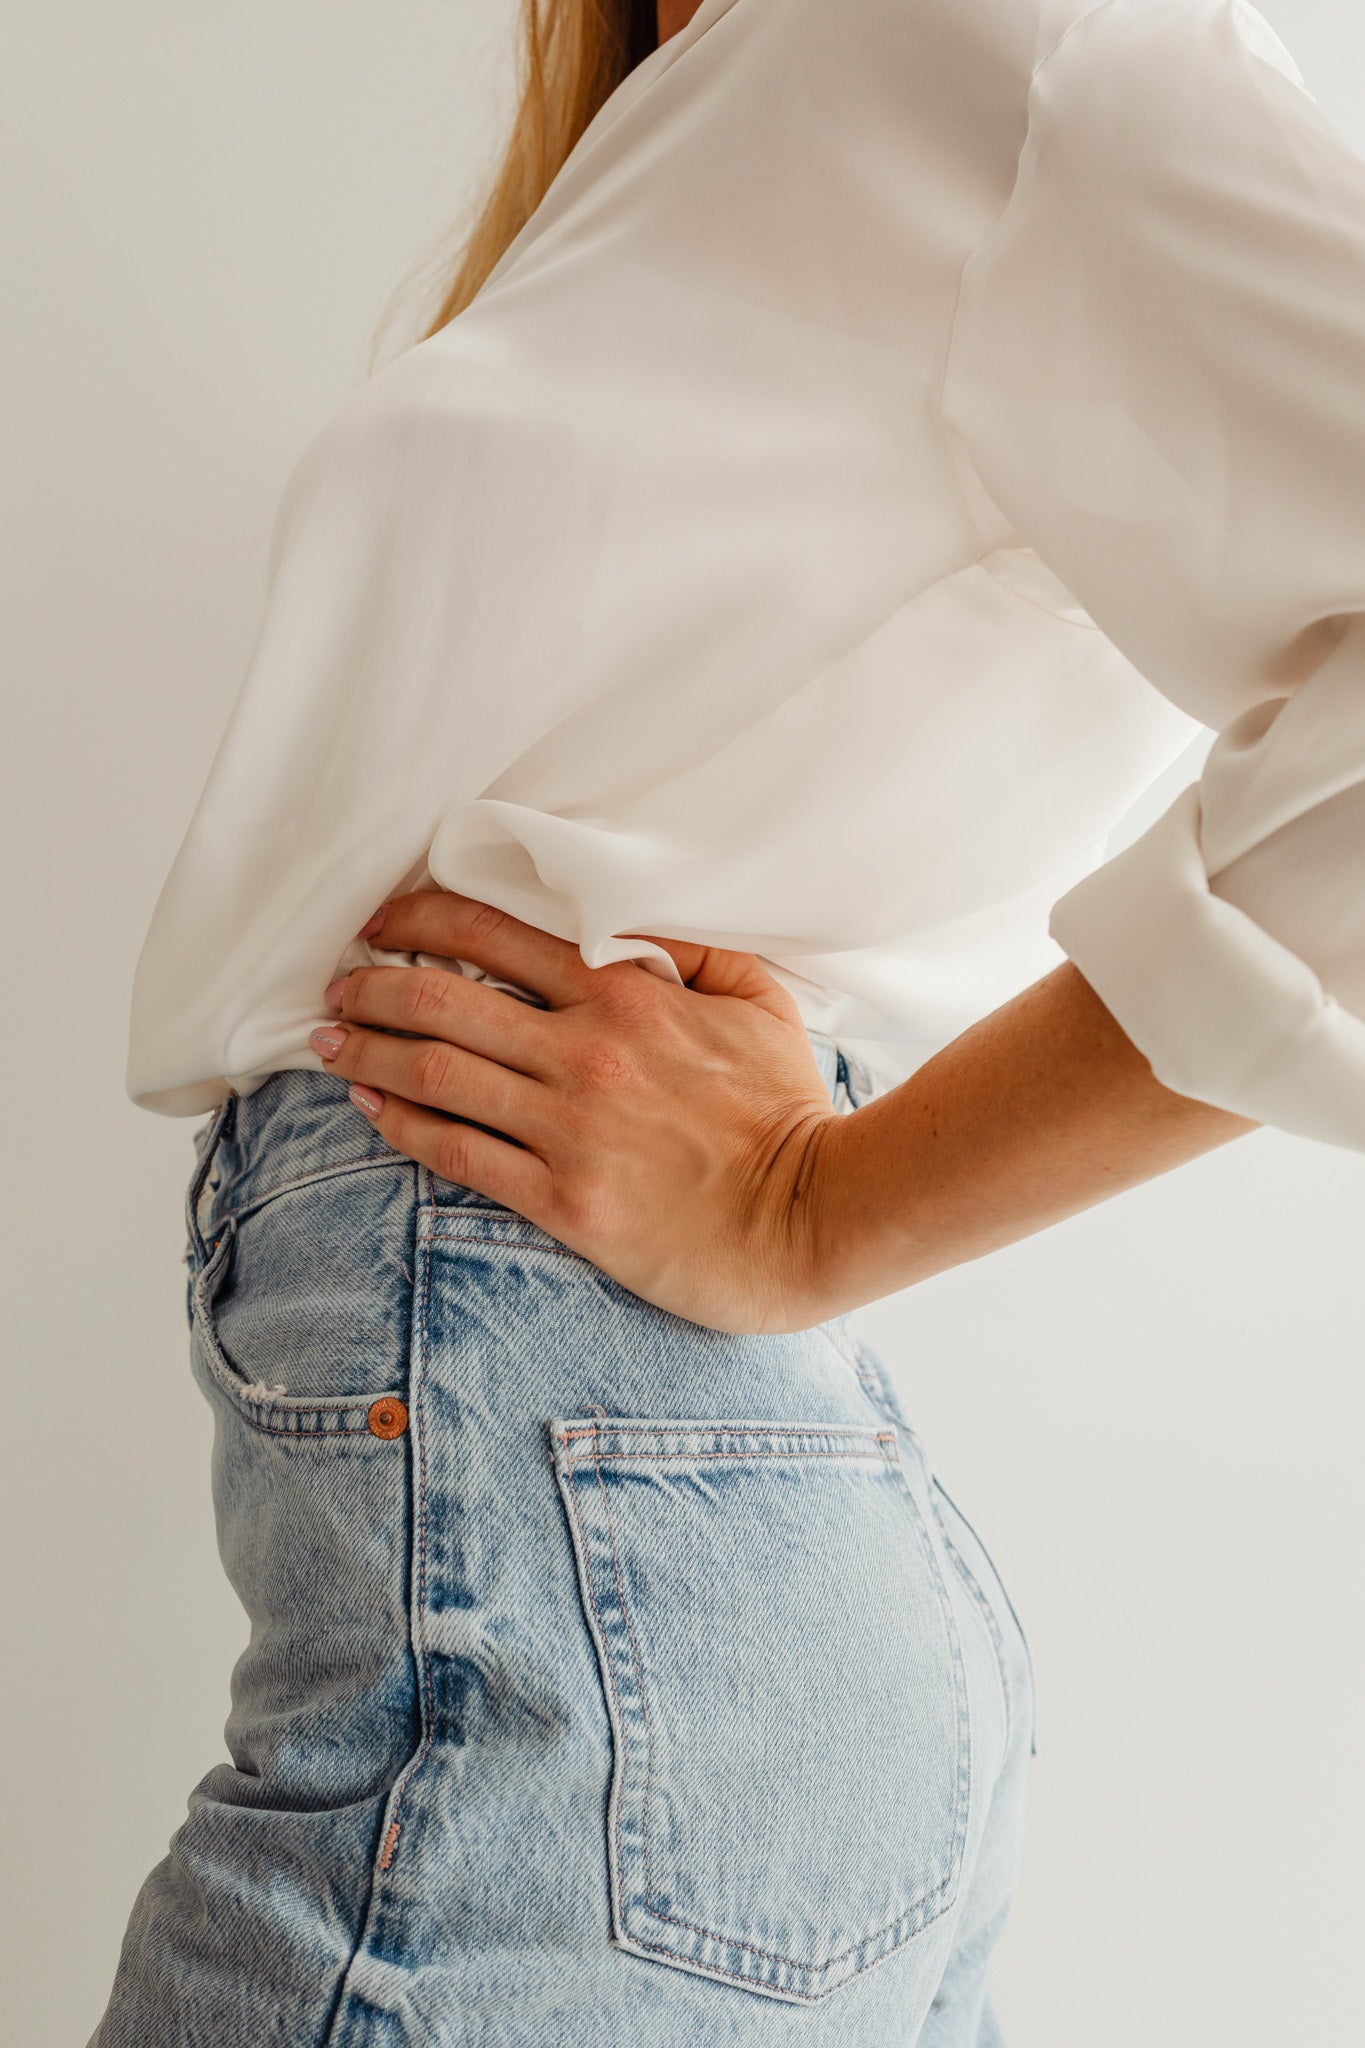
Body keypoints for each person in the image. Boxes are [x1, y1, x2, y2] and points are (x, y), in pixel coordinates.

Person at [97, 0, 1365, 2042]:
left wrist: (814, 1202)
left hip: (582, 1509)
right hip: (633, 1537)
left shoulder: (994, 30)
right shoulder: (723, 94)